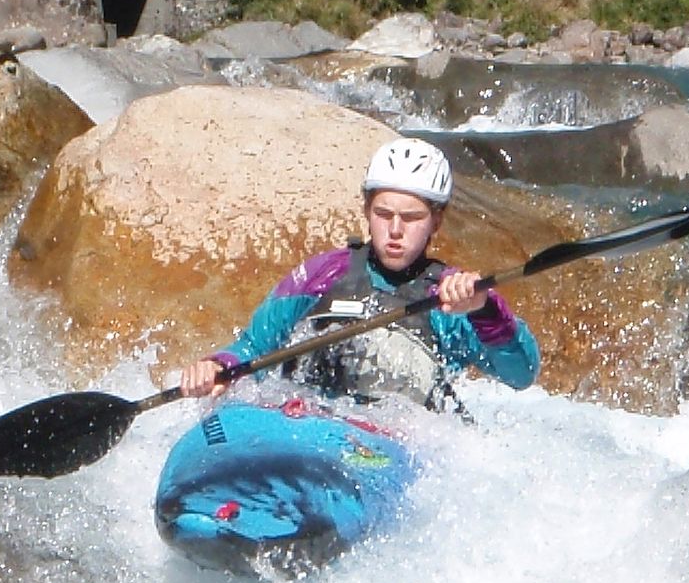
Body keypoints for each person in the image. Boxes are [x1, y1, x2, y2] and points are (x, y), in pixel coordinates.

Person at [179, 137, 540, 410]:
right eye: (383, 214)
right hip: (308, 424)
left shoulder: (454, 297)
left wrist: (484, 310)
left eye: (412, 218)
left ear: (437, 221)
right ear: (367, 211)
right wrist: (218, 367)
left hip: (388, 448)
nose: (395, 230)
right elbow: (254, 348)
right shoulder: (320, 276)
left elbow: (521, 375)